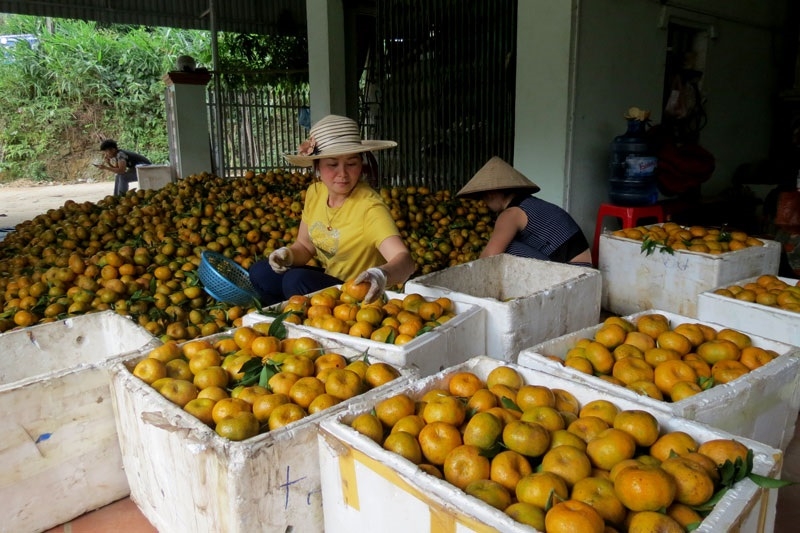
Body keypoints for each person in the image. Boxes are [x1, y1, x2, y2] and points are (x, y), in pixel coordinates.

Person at [248, 114, 416, 305]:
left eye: (352, 164)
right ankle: (286, 320)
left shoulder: (370, 208)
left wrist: (381, 275)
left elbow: (406, 261)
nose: (343, 174)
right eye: (333, 164)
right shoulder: (315, 192)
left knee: (295, 282)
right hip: (332, 283)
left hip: (360, 295)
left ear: (361, 164)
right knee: (260, 272)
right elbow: (304, 246)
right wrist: (287, 255)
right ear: (317, 166)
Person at [457, 156, 593, 267]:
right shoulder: (529, 203)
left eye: (483, 196)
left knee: (507, 250)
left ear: (491, 193)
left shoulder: (511, 214)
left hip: (575, 272)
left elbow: (488, 258)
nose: (483, 203)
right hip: (584, 268)